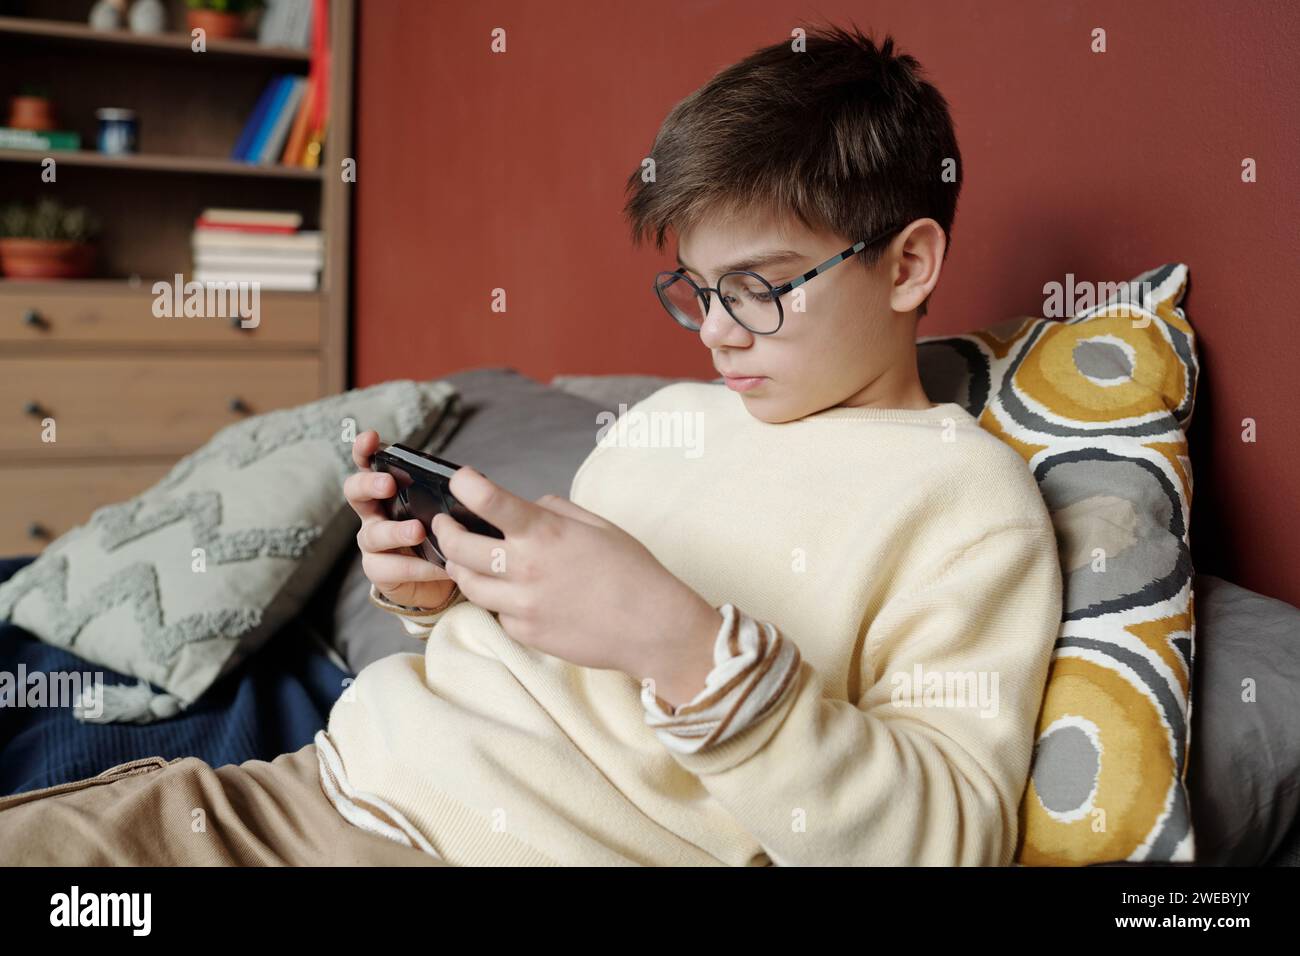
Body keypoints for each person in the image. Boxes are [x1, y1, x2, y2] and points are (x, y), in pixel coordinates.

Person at [0, 24, 1062, 867]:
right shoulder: (665, 422)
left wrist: (683, 644)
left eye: (759, 286)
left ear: (909, 263)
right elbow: (544, 669)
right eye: (696, 289)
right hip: (309, 783)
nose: (718, 330)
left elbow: (947, 837)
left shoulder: (966, 501)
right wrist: (436, 589)